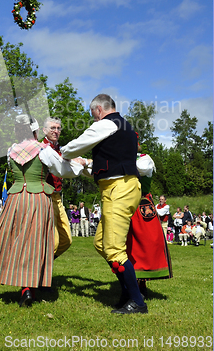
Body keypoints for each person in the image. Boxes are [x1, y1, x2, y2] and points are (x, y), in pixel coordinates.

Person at [0, 114, 85, 307]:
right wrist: (82, 164)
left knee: (13, 240)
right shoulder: (43, 150)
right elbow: (62, 170)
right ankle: (29, 288)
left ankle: (21, 284)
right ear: (35, 131)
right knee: (35, 243)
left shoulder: (11, 150)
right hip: (37, 198)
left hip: (16, 198)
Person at [61, 93, 148, 314]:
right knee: (101, 243)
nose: (93, 120)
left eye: (93, 115)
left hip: (118, 190)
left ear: (99, 110)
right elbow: (109, 166)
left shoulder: (107, 124)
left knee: (114, 249)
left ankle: (137, 301)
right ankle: (128, 291)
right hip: (120, 187)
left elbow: (72, 147)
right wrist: (88, 165)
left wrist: (65, 154)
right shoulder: (124, 126)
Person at [126, 147, 173, 298]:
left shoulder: (144, 159)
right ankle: (130, 282)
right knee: (128, 244)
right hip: (126, 204)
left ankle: (141, 284)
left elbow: (143, 168)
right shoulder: (122, 157)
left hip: (142, 205)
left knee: (145, 244)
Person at [42, 117, 73, 258]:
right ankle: (39, 273)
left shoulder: (61, 150)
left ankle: (42, 265)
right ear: (44, 131)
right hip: (45, 196)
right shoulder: (41, 149)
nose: (56, 131)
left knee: (66, 240)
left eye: (58, 128)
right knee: (53, 242)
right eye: (52, 128)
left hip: (58, 197)